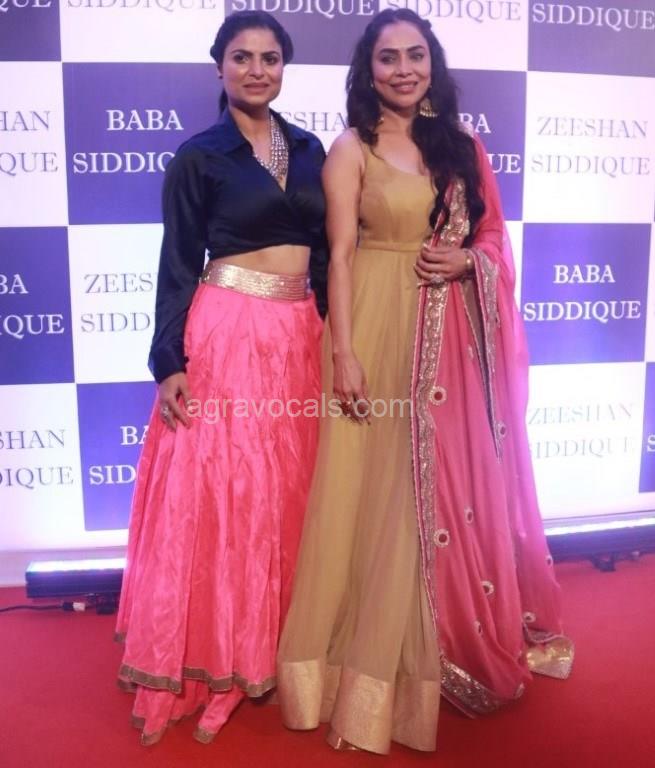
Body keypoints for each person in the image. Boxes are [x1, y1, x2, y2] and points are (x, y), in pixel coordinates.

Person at [277, 8, 573, 755]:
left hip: (451, 339)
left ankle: (441, 643)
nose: (403, 69)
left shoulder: (462, 148)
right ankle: (373, 665)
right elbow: (340, 256)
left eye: (415, 55)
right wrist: (344, 352)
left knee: (437, 485)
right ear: (368, 70)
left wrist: (470, 261)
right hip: (376, 324)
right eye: (388, 58)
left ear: (431, 64)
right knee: (374, 488)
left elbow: (492, 238)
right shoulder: (352, 148)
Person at [114, 11, 327, 745]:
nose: (256, 70)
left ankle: (273, 650)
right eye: (242, 58)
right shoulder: (198, 156)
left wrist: (337, 336)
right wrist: (169, 361)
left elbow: (329, 256)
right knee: (225, 496)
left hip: (299, 338)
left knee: (285, 493)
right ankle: (217, 662)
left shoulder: (310, 149)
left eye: (270, 58)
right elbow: (177, 262)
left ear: (284, 68)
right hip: (226, 335)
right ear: (219, 67)